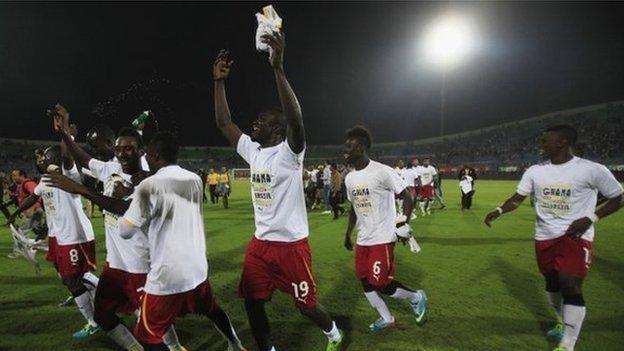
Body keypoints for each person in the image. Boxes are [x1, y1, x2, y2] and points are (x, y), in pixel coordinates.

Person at [213, 29, 343, 351]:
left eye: (261, 120)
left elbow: (297, 122)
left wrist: (277, 67)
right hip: (260, 244)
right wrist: (218, 82)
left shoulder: (289, 154)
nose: (254, 124)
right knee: (252, 301)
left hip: (291, 246)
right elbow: (224, 123)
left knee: (306, 305)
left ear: (276, 127)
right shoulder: (254, 153)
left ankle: (333, 334)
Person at [484, 125, 623, 351]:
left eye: (545, 141)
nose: (541, 145)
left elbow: (618, 197)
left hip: (576, 236)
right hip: (544, 236)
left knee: (570, 283)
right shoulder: (535, 171)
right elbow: (518, 198)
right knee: (552, 284)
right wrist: (499, 211)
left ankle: (567, 344)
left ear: (562, 142)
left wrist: (591, 217)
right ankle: (561, 320)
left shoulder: (591, 170)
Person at [118, 132, 245, 351]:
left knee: (148, 336)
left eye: (147, 153)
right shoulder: (194, 178)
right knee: (211, 309)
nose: (144, 157)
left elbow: (125, 231)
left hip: (167, 275)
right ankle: (236, 345)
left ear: (155, 154)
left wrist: (128, 199)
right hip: (197, 268)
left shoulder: (148, 186)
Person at [342, 125, 428, 332]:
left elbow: (409, 194)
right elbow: (354, 208)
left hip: (382, 237)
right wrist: (348, 233)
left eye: (349, 147)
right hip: (363, 239)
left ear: (361, 147)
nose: (344, 151)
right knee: (365, 281)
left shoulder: (381, 171)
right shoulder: (349, 178)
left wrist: (404, 222)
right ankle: (386, 318)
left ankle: (416, 297)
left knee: (379, 282)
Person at [9, 144, 100, 338]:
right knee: (67, 275)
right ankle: (101, 300)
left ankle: (94, 320)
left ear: (57, 160)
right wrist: (15, 212)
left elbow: (67, 158)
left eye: (47, 158)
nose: (42, 160)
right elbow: (33, 197)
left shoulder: (68, 175)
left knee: (72, 279)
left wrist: (65, 133)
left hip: (73, 236)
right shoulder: (45, 181)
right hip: (57, 236)